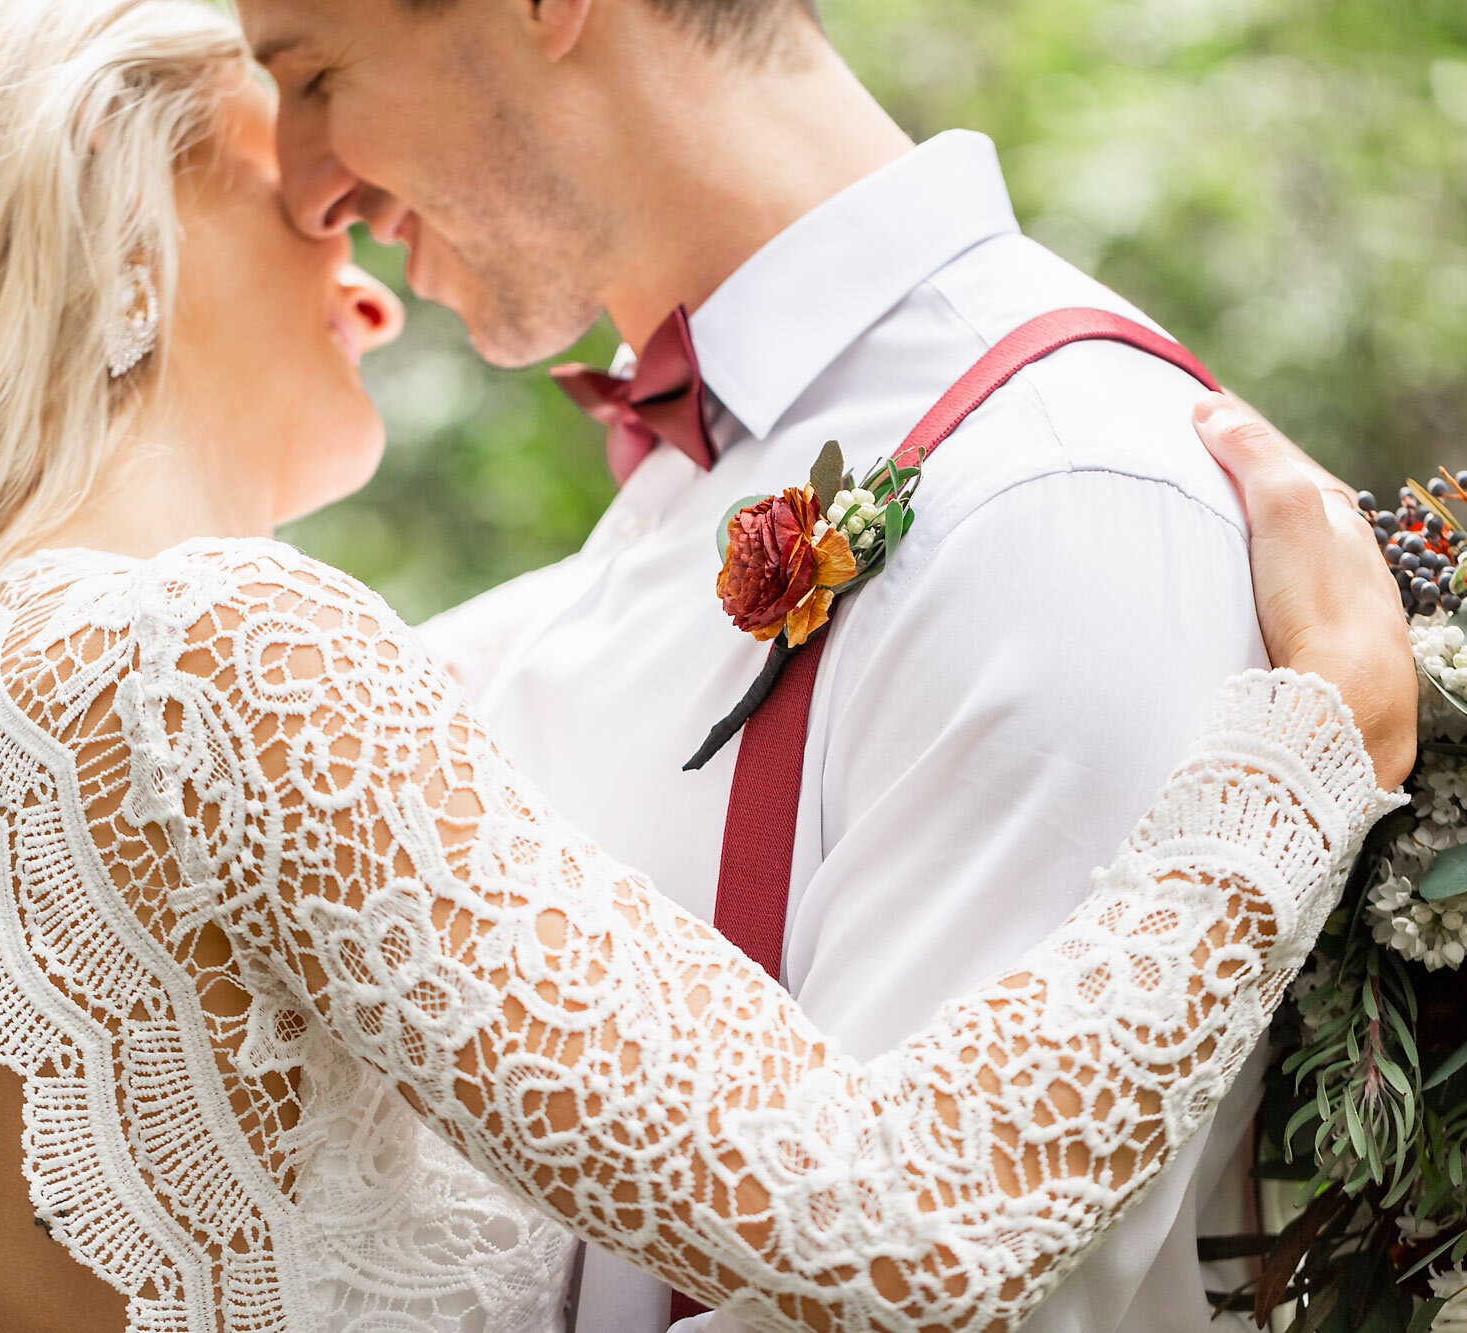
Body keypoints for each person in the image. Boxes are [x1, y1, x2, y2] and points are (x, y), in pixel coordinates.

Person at [0, 2, 1413, 1332]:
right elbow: (904, 1222)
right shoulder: (207, 656)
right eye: (276, 124)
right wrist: (1305, 758)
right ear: (111, 248)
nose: (341, 228)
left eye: (316, 75)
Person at [239, 0, 1396, 1327]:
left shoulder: (1055, 496)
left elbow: (947, 1265)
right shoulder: (676, 497)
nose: (306, 184)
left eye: (317, 72)